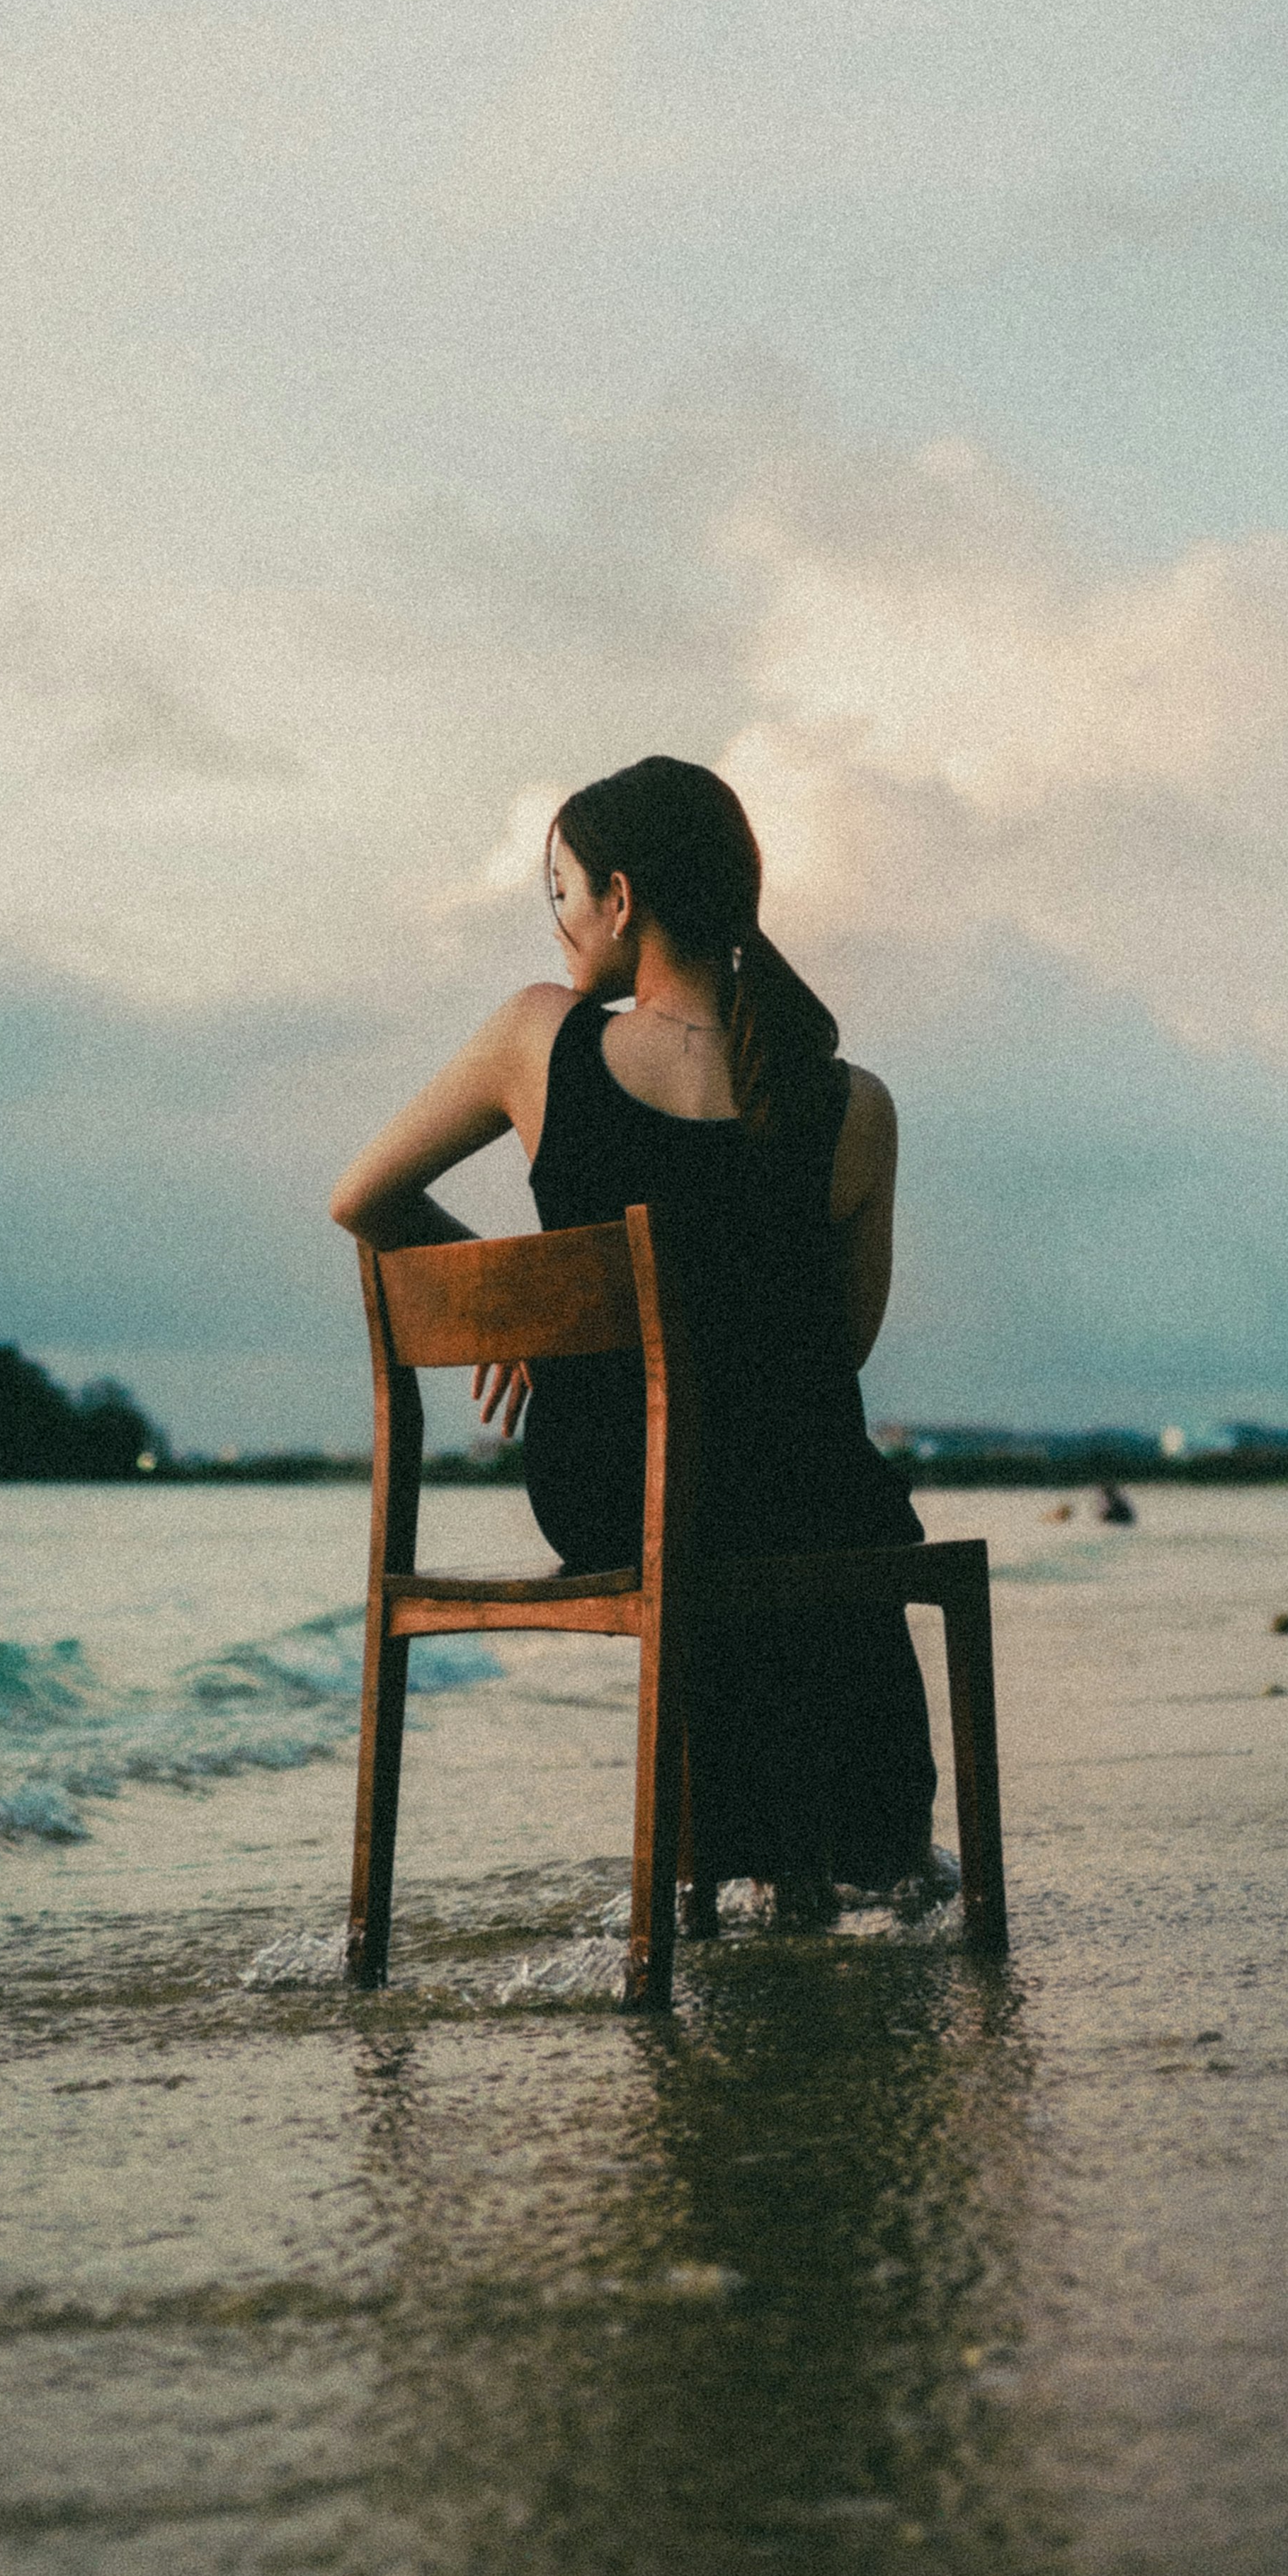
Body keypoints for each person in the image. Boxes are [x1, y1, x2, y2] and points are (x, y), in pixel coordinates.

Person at [329, 754, 937, 1903]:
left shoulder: (536, 1039)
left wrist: (526, 1302)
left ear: (621, 897)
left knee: (724, 1511)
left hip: (602, 1485)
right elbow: (836, 1351)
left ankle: (737, 1860)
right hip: (794, 1498)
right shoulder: (854, 1104)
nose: (556, 923)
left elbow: (361, 1199)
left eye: (559, 890)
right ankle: (858, 1855)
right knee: (804, 1494)